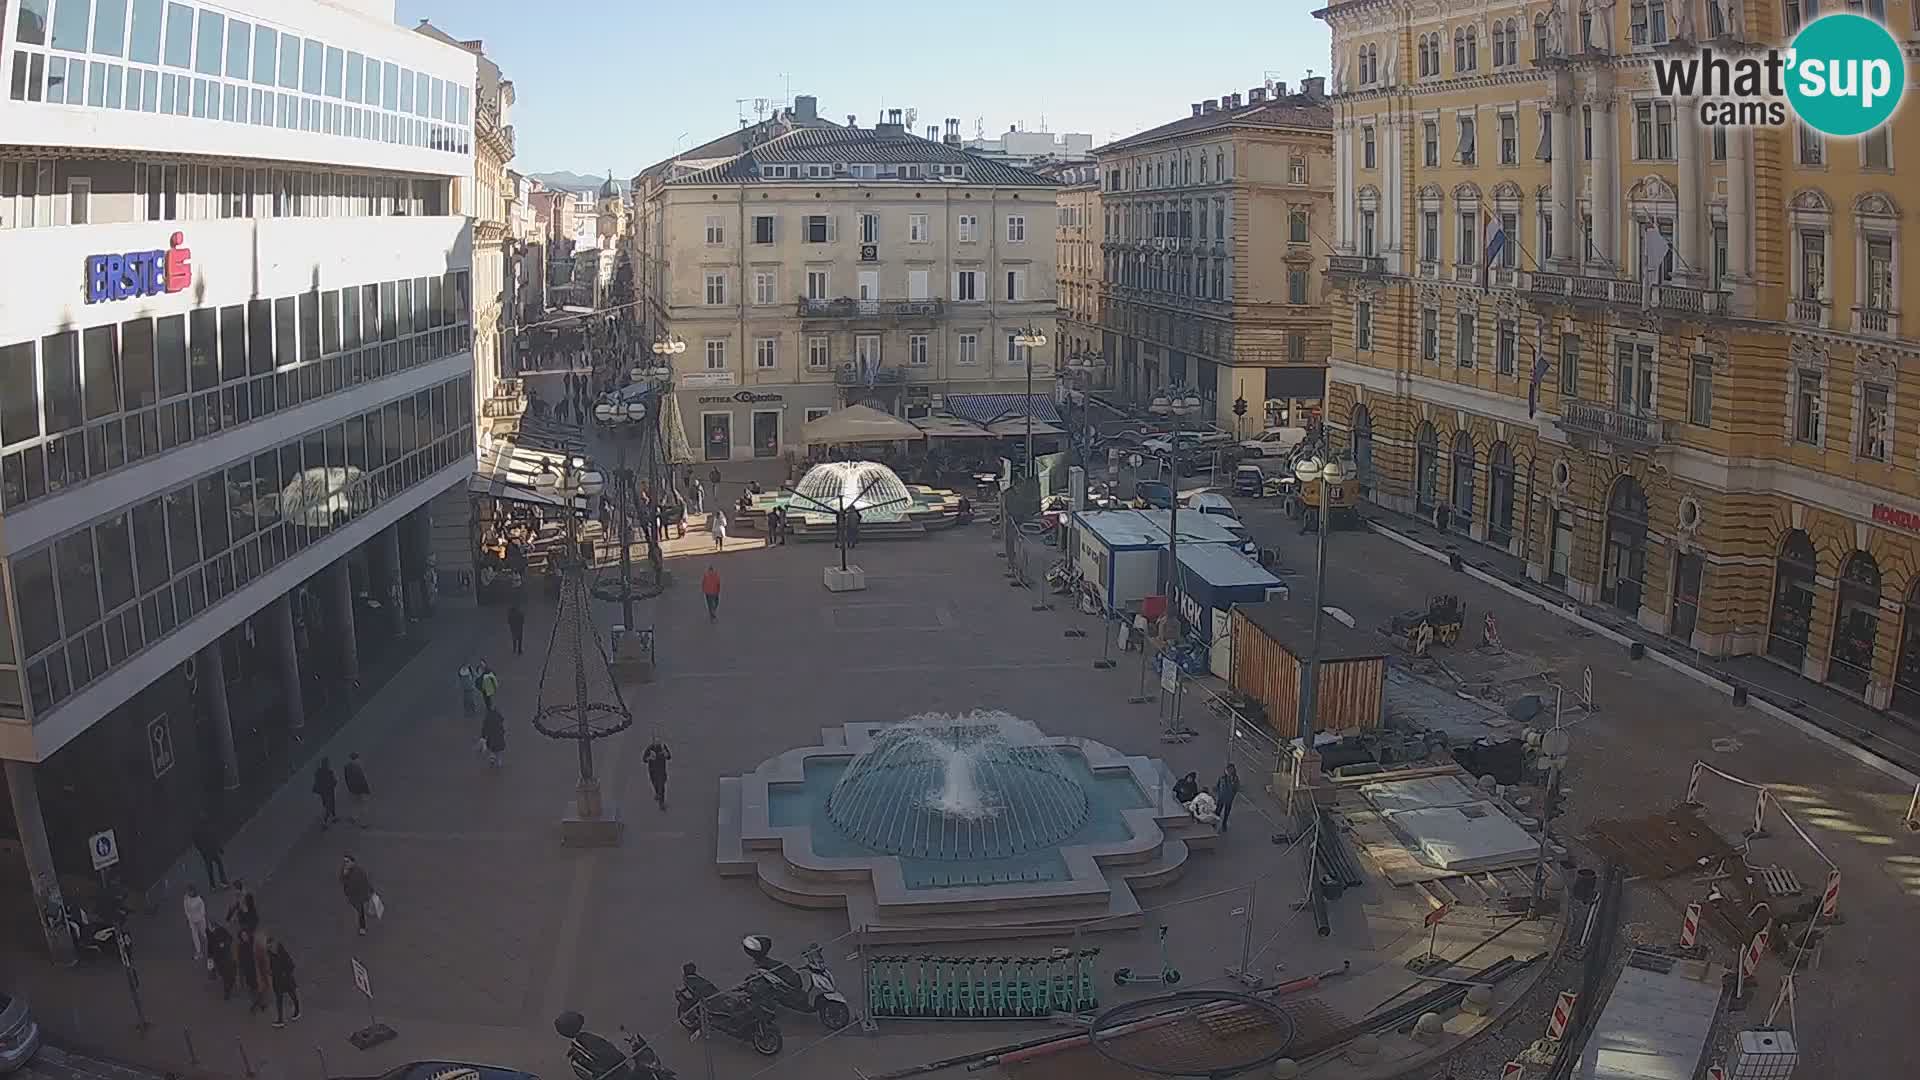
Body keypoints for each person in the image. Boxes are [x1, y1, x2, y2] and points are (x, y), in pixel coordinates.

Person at [267, 937, 300, 1027]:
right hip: (277, 981)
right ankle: (280, 1019)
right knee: (279, 999)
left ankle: (297, 1010)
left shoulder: (283, 954)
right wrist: (270, 972)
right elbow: (270, 966)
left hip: (286, 980)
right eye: (269, 947)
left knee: (292, 994)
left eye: (271, 946)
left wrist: (285, 973)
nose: (271, 948)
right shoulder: (270, 955)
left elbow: (291, 966)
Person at [339, 855, 375, 936]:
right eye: (345, 862)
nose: (346, 863)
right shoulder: (345, 871)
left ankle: (362, 927)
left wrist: (371, 891)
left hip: (359, 894)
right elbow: (342, 881)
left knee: (360, 910)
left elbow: (365, 881)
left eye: (347, 861)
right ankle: (365, 916)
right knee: (359, 908)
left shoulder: (359, 871)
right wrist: (344, 874)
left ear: (353, 862)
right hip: (351, 895)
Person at [192, 817, 228, 890]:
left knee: (210, 869)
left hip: (206, 852)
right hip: (212, 850)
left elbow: (197, 843)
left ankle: (213, 885)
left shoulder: (197, 831)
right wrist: (219, 848)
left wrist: (202, 851)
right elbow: (213, 838)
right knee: (219, 864)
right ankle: (223, 882)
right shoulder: (208, 827)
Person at [235, 927, 264, 1013]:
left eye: (245, 934)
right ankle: (256, 1003)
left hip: (257, 970)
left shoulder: (254, 943)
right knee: (252, 989)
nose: (244, 937)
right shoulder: (240, 947)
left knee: (260, 987)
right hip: (249, 972)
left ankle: (260, 1002)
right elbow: (240, 961)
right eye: (242, 935)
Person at [206, 921, 236, 999]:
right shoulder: (210, 934)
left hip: (225, 957)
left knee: (228, 974)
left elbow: (230, 939)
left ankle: (229, 987)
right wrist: (210, 960)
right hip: (219, 959)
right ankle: (227, 989)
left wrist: (224, 944)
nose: (210, 929)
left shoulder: (221, 931)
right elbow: (210, 948)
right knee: (225, 975)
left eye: (210, 927)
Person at [343, 752, 372, 826]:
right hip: (360, 789)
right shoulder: (358, 766)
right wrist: (367, 790)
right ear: (356, 758)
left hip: (352, 789)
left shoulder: (346, 766)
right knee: (363, 805)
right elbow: (363, 779)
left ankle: (354, 817)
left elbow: (346, 778)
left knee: (354, 803)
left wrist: (349, 787)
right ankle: (363, 823)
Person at [643, 738, 671, 810]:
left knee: (661, 786)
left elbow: (669, 757)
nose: (657, 745)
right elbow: (644, 759)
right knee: (655, 784)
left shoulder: (663, 747)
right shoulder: (650, 749)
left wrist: (666, 754)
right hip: (653, 771)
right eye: (656, 744)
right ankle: (657, 793)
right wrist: (649, 758)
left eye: (658, 743)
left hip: (661, 770)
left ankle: (661, 803)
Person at [1213, 764, 1241, 833]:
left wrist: (1232, 794)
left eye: (1230, 770)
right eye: (1227, 770)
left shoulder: (1235, 779)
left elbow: (1236, 788)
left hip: (1229, 798)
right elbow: (1218, 786)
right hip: (1221, 797)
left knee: (1226, 812)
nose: (1228, 771)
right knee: (1218, 811)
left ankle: (1224, 823)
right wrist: (1217, 792)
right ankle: (1214, 823)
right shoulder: (1222, 778)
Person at [312, 757, 338, 829]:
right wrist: (335, 782)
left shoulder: (318, 772)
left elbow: (316, 780)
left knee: (329, 804)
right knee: (329, 805)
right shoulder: (329, 771)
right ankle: (325, 822)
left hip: (322, 792)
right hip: (329, 790)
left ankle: (334, 817)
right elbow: (334, 781)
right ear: (327, 764)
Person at [184, 885, 208, 962]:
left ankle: (212, 944)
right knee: (194, 936)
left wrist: (198, 919)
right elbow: (186, 909)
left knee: (204, 933)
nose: (188, 893)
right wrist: (190, 918)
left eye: (190, 891)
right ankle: (198, 952)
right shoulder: (186, 898)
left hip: (200, 920)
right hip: (192, 921)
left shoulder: (199, 900)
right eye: (188, 891)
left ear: (193, 891)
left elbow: (203, 911)